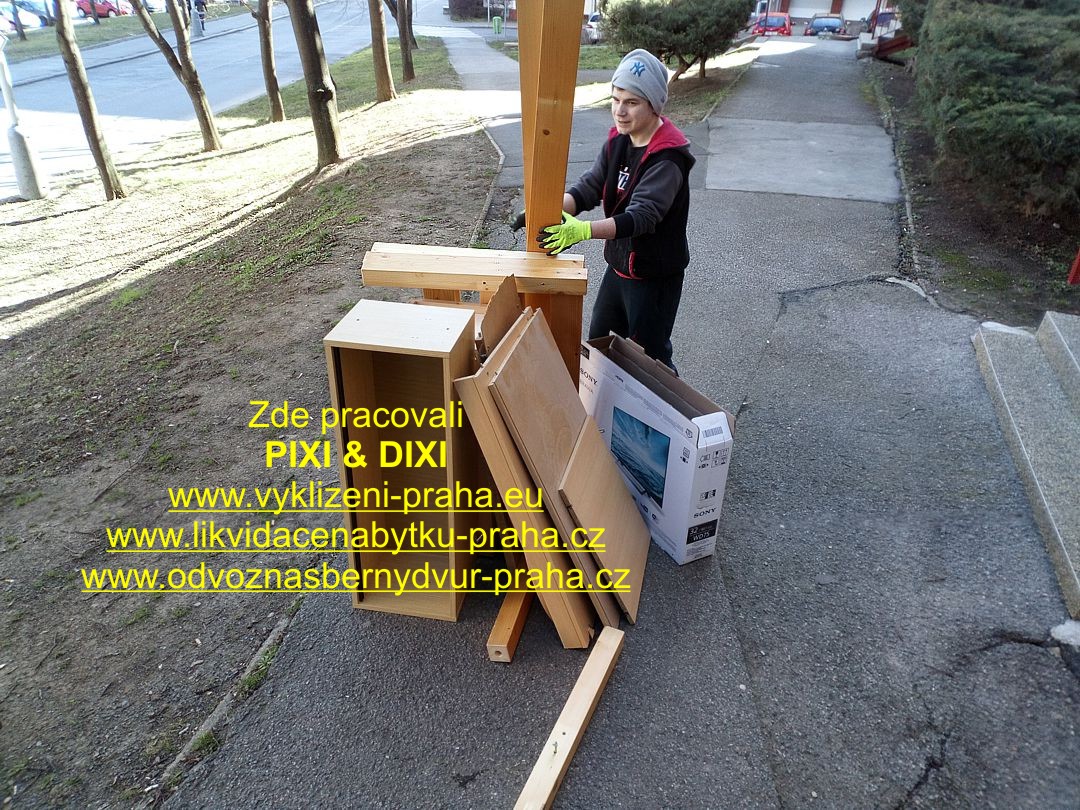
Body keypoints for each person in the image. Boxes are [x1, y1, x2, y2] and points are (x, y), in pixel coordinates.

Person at [537, 48, 695, 371]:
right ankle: (605, 403)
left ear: (653, 105)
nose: (620, 111)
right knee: (599, 344)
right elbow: (589, 188)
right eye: (615, 99)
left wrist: (583, 230)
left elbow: (641, 217)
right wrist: (544, 210)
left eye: (631, 102)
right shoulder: (619, 141)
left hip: (654, 278)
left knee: (651, 362)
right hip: (620, 269)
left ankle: (670, 406)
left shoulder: (668, 157)